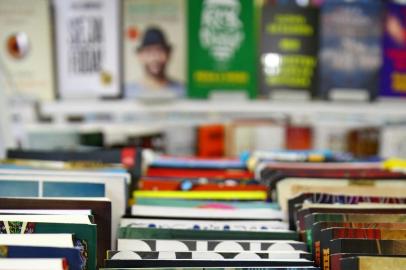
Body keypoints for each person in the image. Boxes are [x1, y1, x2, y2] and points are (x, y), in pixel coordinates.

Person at [125, 27, 184, 98]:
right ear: (140, 56)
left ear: (168, 54)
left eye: (160, 51)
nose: (154, 58)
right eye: (148, 51)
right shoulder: (128, 93)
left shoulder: (182, 91)